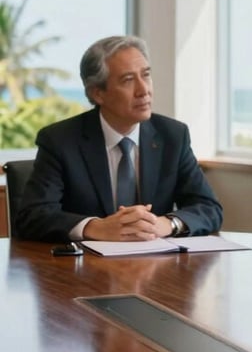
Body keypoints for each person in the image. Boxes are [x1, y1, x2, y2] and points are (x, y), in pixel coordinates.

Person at [17, 35, 223, 243]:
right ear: (98, 93)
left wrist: (167, 224)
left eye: (146, 75)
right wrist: (96, 227)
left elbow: (209, 208)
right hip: (83, 269)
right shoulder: (60, 140)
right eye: (128, 80)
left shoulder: (173, 136)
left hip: (155, 266)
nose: (144, 90)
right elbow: (33, 216)